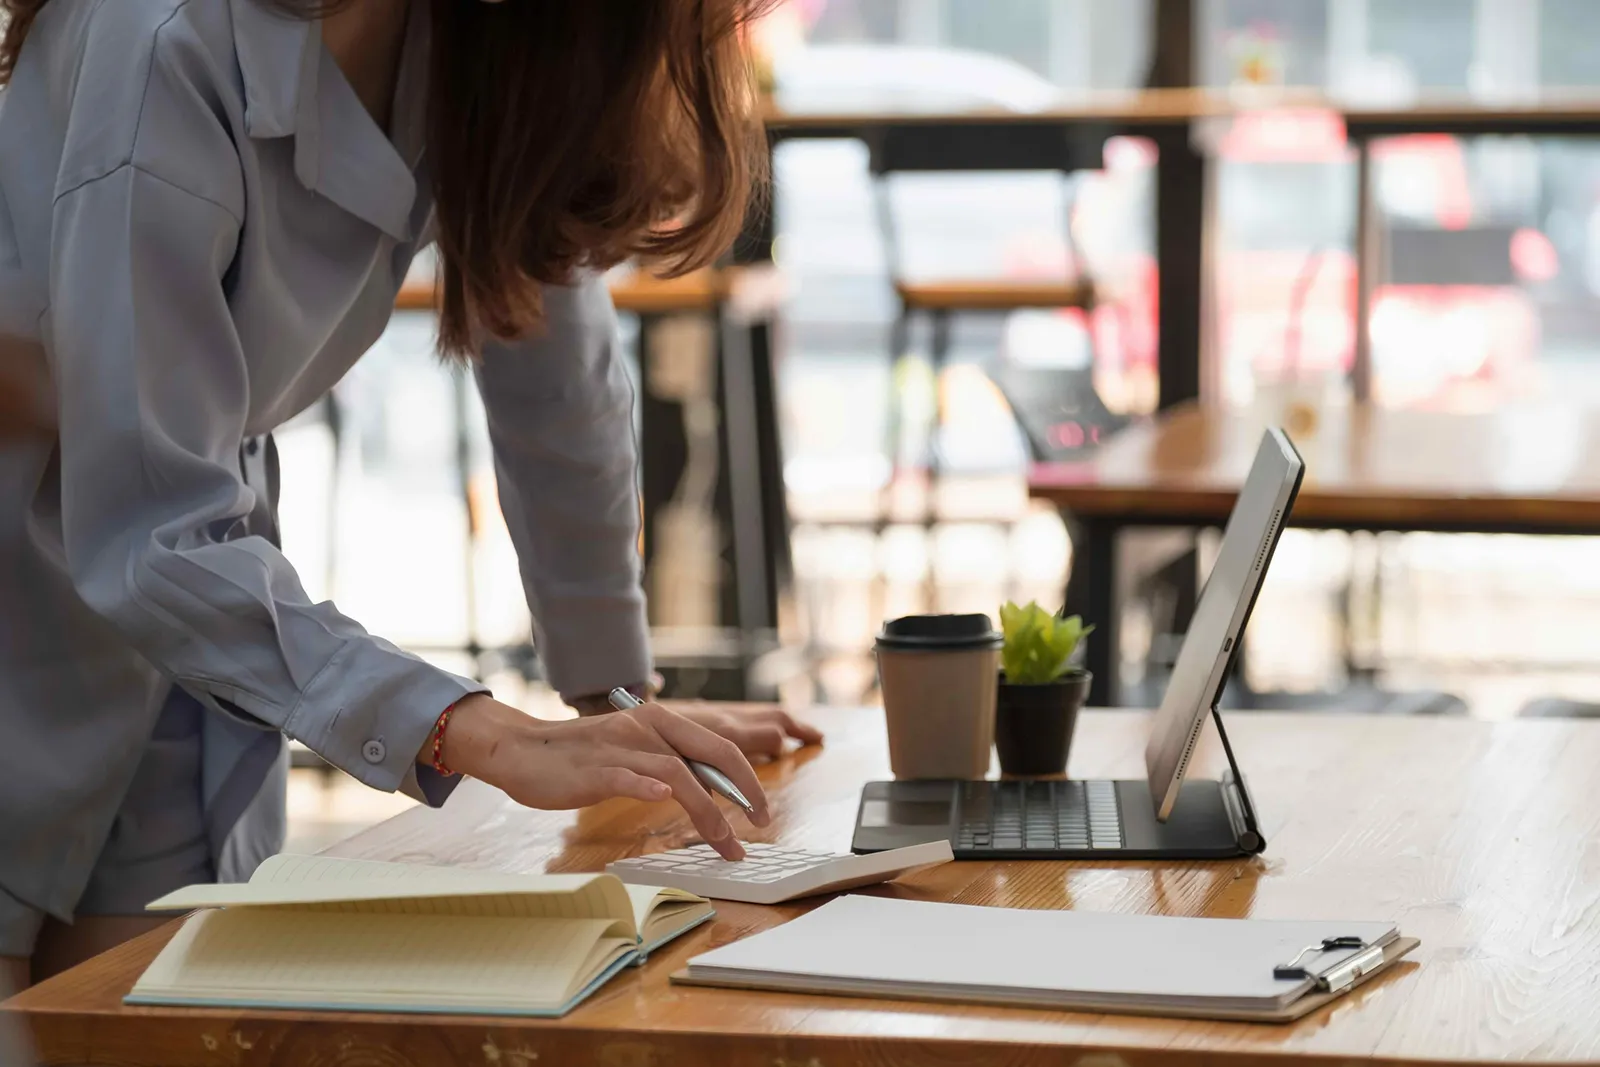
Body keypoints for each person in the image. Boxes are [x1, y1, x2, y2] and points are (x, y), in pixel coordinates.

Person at [0, 0, 821, 996]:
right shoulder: (163, 38)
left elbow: (551, 365)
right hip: (57, 584)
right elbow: (147, 521)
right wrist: (480, 731)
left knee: (131, 1016)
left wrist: (617, 702)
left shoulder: (474, 47)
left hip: (180, 619)